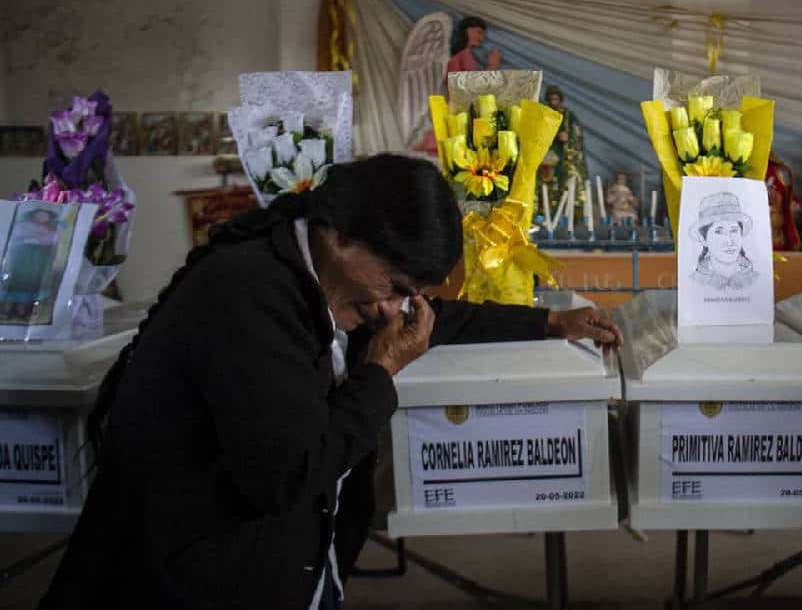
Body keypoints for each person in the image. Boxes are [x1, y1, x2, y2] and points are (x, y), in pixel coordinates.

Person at [37, 155, 621, 610]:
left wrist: (549, 322)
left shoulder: (324, 274)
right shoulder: (250, 295)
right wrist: (381, 373)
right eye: (393, 285)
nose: (395, 310)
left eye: (407, 292)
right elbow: (286, 474)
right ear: (340, 236)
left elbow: (437, 318)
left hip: (279, 570)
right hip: (186, 579)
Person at [0, 207, 60, 321]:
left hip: (38, 262)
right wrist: (32, 239)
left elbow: (53, 239)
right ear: (33, 215)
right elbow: (16, 235)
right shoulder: (22, 225)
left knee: (31, 286)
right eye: (40, 214)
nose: (43, 217)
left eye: (45, 215)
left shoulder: (51, 229)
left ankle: (23, 309)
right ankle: (8, 307)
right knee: (16, 282)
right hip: (21, 260)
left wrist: (38, 240)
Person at [689, 192, 759, 291]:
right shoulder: (693, 282)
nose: (729, 241)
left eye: (734, 230)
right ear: (703, 239)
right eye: (719, 232)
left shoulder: (756, 280)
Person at [539, 86, 589, 221]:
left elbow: (577, 136)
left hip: (566, 157)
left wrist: (569, 137)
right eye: (551, 99)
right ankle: (545, 216)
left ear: (560, 99)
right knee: (547, 188)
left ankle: (569, 218)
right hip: (549, 157)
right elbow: (538, 135)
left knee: (569, 183)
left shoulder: (569, 116)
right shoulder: (543, 115)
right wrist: (554, 137)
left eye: (556, 99)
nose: (554, 102)